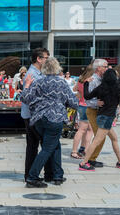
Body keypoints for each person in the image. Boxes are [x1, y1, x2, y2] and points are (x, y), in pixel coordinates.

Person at [20, 57, 78, 188]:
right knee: (47, 148)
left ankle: (57, 175)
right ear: (57, 68)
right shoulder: (62, 83)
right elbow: (74, 103)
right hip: (55, 118)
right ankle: (32, 177)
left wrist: (27, 85)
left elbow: (25, 98)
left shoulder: (38, 82)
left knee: (55, 145)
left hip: (39, 119)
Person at [79, 68, 120, 171]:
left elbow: (87, 96)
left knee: (114, 138)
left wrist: (85, 84)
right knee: (97, 141)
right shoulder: (117, 88)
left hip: (101, 116)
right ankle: (83, 163)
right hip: (107, 118)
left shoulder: (101, 87)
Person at [21, 47, 53, 182]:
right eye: (46, 57)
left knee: (33, 146)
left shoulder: (39, 73)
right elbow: (29, 98)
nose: (48, 60)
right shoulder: (32, 75)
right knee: (36, 146)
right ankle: (31, 175)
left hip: (34, 115)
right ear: (39, 59)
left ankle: (32, 173)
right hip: (33, 116)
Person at [84, 59, 108, 168]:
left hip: (101, 112)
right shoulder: (93, 80)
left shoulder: (103, 79)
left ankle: (92, 158)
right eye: (105, 66)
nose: (107, 68)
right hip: (93, 111)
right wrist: (96, 102)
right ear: (98, 68)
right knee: (99, 136)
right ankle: (90, 159)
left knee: (102, 136)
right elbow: (87, 99)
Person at [70, 64, 94, 159]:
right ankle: (85, 151)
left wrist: (80, 93)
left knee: (81, 130)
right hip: (89, 106)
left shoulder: (80, 80)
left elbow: (74, 89)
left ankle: (76, 150)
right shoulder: (91, 80)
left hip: (81, 105)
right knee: (89, 130)